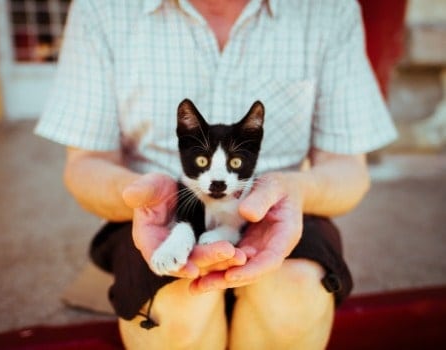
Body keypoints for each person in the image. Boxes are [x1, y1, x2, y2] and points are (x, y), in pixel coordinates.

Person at [36, 0, 397, 348]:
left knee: (297, 293)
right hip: (155, 211)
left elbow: (348, 170)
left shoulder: (328, 9)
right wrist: (145, 195)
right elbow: (85, 164)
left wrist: (292, 188)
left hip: (277, 207)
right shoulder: (102, 8)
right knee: (176, 312)